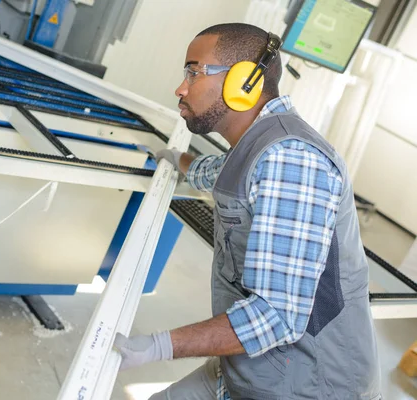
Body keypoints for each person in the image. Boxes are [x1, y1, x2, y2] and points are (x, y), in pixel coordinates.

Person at [113, 23, 381, 400]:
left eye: (194, 71)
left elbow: (276, 317)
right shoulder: (256, 146)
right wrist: (178, 160)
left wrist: (158, 346)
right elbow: (221, 171)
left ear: (244, 83)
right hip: (251, 369)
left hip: (308, 386)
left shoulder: (292, 158)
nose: (181, 87)